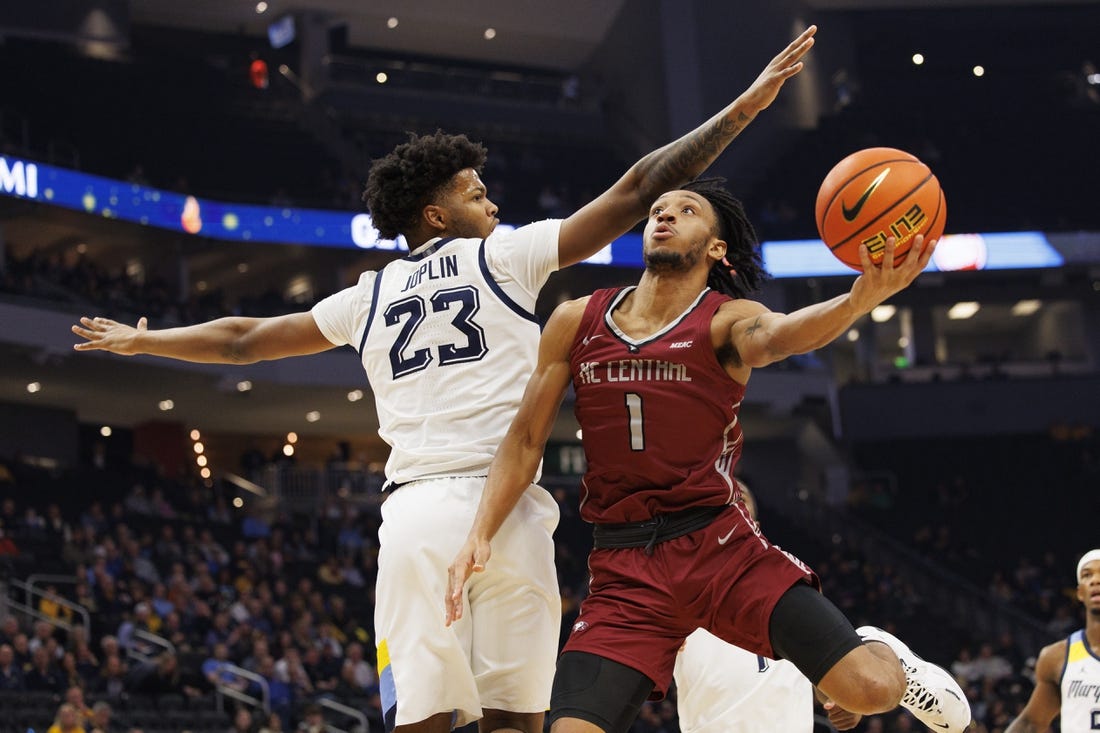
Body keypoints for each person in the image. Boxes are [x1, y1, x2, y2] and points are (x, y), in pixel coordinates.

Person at [71, 26, 816, 733]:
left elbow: (241, 342)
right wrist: (745, 107)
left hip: (417, 520)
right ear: (437, 213)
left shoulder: (365, 296)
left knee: (420, 718)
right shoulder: (505, 256)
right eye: (474, 191)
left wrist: (147, 339)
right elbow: (636, 188)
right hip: (508, 511)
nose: (492, 201)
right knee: (519, 719)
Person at [446, 178, 971, 733]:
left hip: (722, 551)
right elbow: (526, 440)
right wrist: (481, 529)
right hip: (625, 569)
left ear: (717, 248)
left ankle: (877, 647)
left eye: (686, 210)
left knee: (870, 692)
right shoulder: (576, 319)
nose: (664, 217)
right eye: (657, 211)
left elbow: (782, 336)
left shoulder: (724, 319)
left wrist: (860, 298)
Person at [673, 481, 860, 733]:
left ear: (753, 526)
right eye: (718, 504)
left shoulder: (794, 579)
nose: (729, 508)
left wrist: (842, 698)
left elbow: (823, 665)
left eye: (739, 502)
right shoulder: (673, 588)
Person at [1005, 549, 1100, 733]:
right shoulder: (1058, 656)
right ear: (1080, 592)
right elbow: (1031, 724)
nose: (1095, 580)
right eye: (1087, 575)